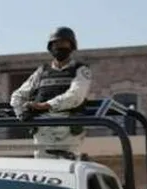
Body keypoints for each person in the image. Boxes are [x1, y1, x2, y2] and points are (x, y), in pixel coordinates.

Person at [10, 27, 93, 159]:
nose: (59, 47)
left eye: (64, 43)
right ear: (50, 47)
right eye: (56, 44)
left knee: (69, 167)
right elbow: (18, 96)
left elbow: (76, 96)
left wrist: (45, 105)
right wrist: (22, 113)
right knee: (43, 168)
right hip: (42, 132)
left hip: (68, 131)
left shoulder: (81, 70)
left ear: (72, 46)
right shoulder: (42, 72)